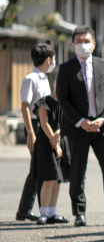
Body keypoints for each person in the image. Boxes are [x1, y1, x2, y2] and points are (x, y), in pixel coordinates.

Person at [57, 27, 104, 227]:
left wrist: (103, 119)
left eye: (86, 41)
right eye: (78, 41)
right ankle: (79, 213)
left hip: (103, 128)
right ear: (72, 45)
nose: (83, 45)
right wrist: (81, 122)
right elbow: (63, 99)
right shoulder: (66, 69)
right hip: (78, 128)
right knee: (78, 171)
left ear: (94, 44)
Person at [16, 43, 55, 222]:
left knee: (38, 167)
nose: (54, 62)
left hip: (43, 123)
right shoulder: (31, 79)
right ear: (48, 60)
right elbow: (25, 106)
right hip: (34, 124)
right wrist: (30, 132)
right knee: (39, 167)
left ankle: (28, 209)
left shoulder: (44, 78)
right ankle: (38, 210)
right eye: (53, 59)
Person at [31, 81, 70, 224]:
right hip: (46, 144)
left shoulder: (66, 103)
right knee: (48, 178)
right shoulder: (44, 101)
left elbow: (67, 122)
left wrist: (58, 135)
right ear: (55, 83)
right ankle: (43, 213)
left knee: (57, 180)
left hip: (59, 142)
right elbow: (44, 123)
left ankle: (52, 212)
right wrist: (54, 140)